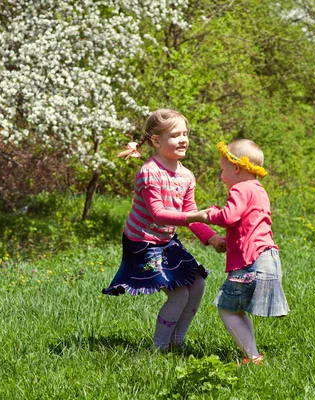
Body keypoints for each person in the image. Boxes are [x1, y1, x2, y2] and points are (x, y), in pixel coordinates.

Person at [102, 109, 226, 351]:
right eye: (175, 135)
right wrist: (194, 216)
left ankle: (177, 341)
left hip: (165, 241)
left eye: (185, 134)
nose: (183, 139)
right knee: (178, 294)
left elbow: (190, 214)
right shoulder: (150, 173)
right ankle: (159, 348)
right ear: (156, 141)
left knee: (198, 283)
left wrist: (211, 238)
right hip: (142, 244)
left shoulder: (186, 176)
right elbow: (158, 214)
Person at [187, 139, 289, 365]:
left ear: (236, 168)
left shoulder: (240, 188)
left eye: (223, 170)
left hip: (251, 263)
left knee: (227, 309)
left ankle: (252, 356)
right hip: (267, 257)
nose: (222, 176)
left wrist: (209, 214)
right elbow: (246, 225)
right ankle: (252, 354)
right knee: (237, 308)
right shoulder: (259, 190)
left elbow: (229, 217)